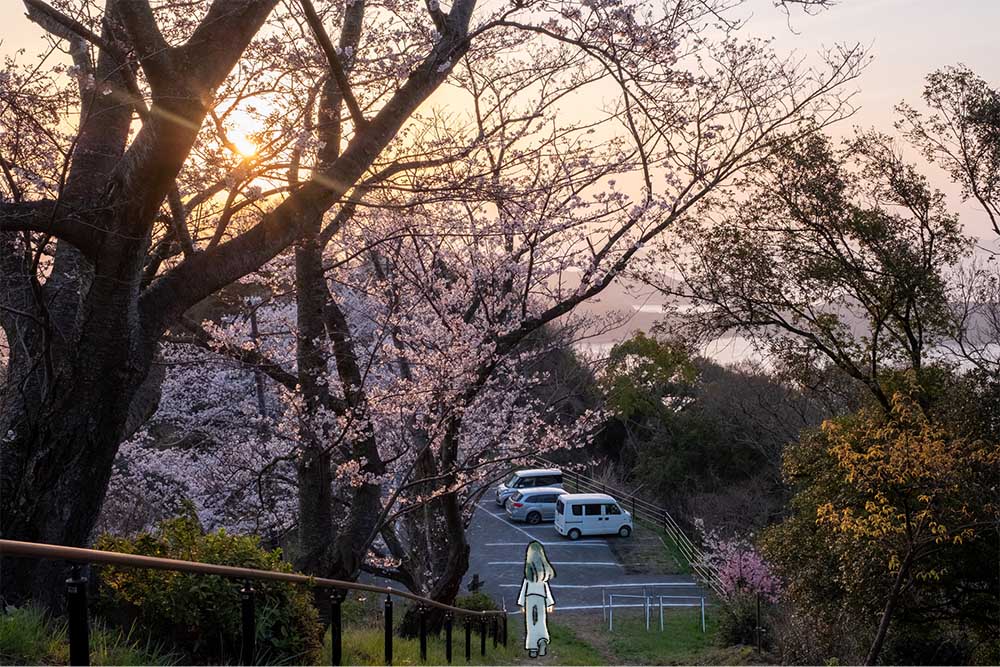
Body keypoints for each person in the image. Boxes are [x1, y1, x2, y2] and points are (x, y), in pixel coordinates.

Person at [517, 540, 556, 658]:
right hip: (541, 600)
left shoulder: (528, 576)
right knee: (541, 621)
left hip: (530, 599)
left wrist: (521, 604)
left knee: (530, 622)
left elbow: (524, 590)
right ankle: (543, 640)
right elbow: (547, 590)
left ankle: (533, 647)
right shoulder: (543, 576)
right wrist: (550, 603)